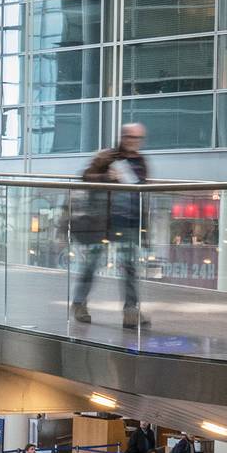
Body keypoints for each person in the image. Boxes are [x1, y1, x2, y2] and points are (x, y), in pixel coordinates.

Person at [70, 121, 150, 327]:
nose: (135, 142)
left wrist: (144, 227)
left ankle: (130, 311)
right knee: (92, 264)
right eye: (131, 137)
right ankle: (79, 303)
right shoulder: (108, 156)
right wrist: (107, 177)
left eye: (138, 138)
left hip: (130, 223)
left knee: (130, 268)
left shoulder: (141, 162)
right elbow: (85, 177)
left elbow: (143, 193)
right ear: (123, 137)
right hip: (104, 223)